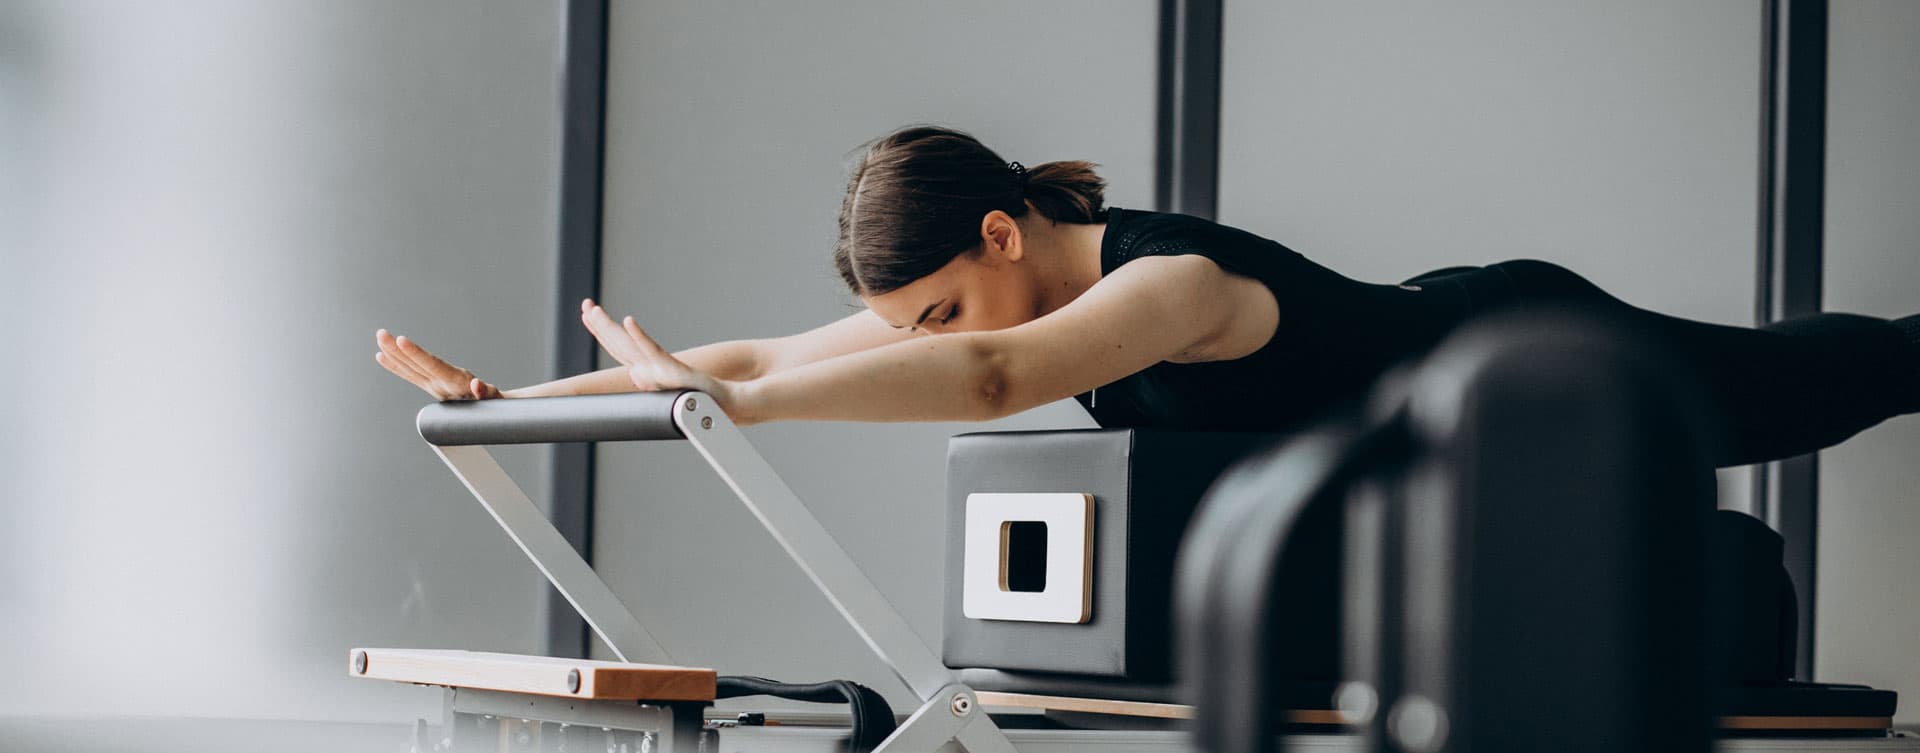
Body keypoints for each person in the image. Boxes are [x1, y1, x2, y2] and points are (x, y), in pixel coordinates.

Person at [375, 125, 1920, 467]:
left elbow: (988, 383)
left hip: (1534, 357)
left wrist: (742, 406)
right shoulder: (991, 294)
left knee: (1816, 386)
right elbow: (746, 348)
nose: (920, 344)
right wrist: (512, 400)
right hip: (1460, 432)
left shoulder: (1166, 285)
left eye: (928, 308)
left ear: (999, 233)